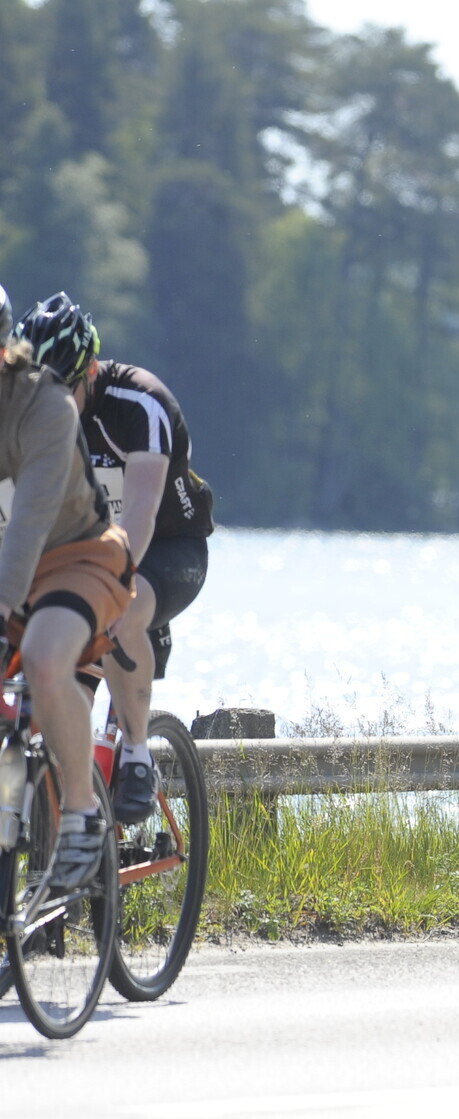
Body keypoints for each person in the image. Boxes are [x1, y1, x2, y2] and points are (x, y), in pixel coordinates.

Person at [14, 293, 213, 822]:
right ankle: (65, 848)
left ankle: (138, 755)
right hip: (82, 552)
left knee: (122, 611)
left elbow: (142, 514)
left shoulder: (139, 403)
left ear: (90, 371)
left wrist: (110, 586)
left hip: (167, 548)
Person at [0, 283, 136, 890]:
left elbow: (29, 521)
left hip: (76, 557)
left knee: (44, 656)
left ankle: (81, 814)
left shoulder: (47, 405)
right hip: (9, 566)